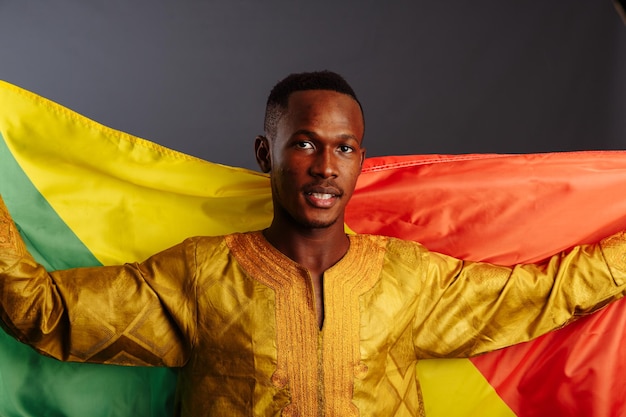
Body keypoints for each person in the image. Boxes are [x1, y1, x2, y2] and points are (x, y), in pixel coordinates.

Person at [1, 70, 625, 417]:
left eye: (344, 148)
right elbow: (41, 312)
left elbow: (550, 293)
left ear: (359, 161)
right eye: (304, 143)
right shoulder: (201, 274)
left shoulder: (408, 276)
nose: (326, 166)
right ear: (265, 153)